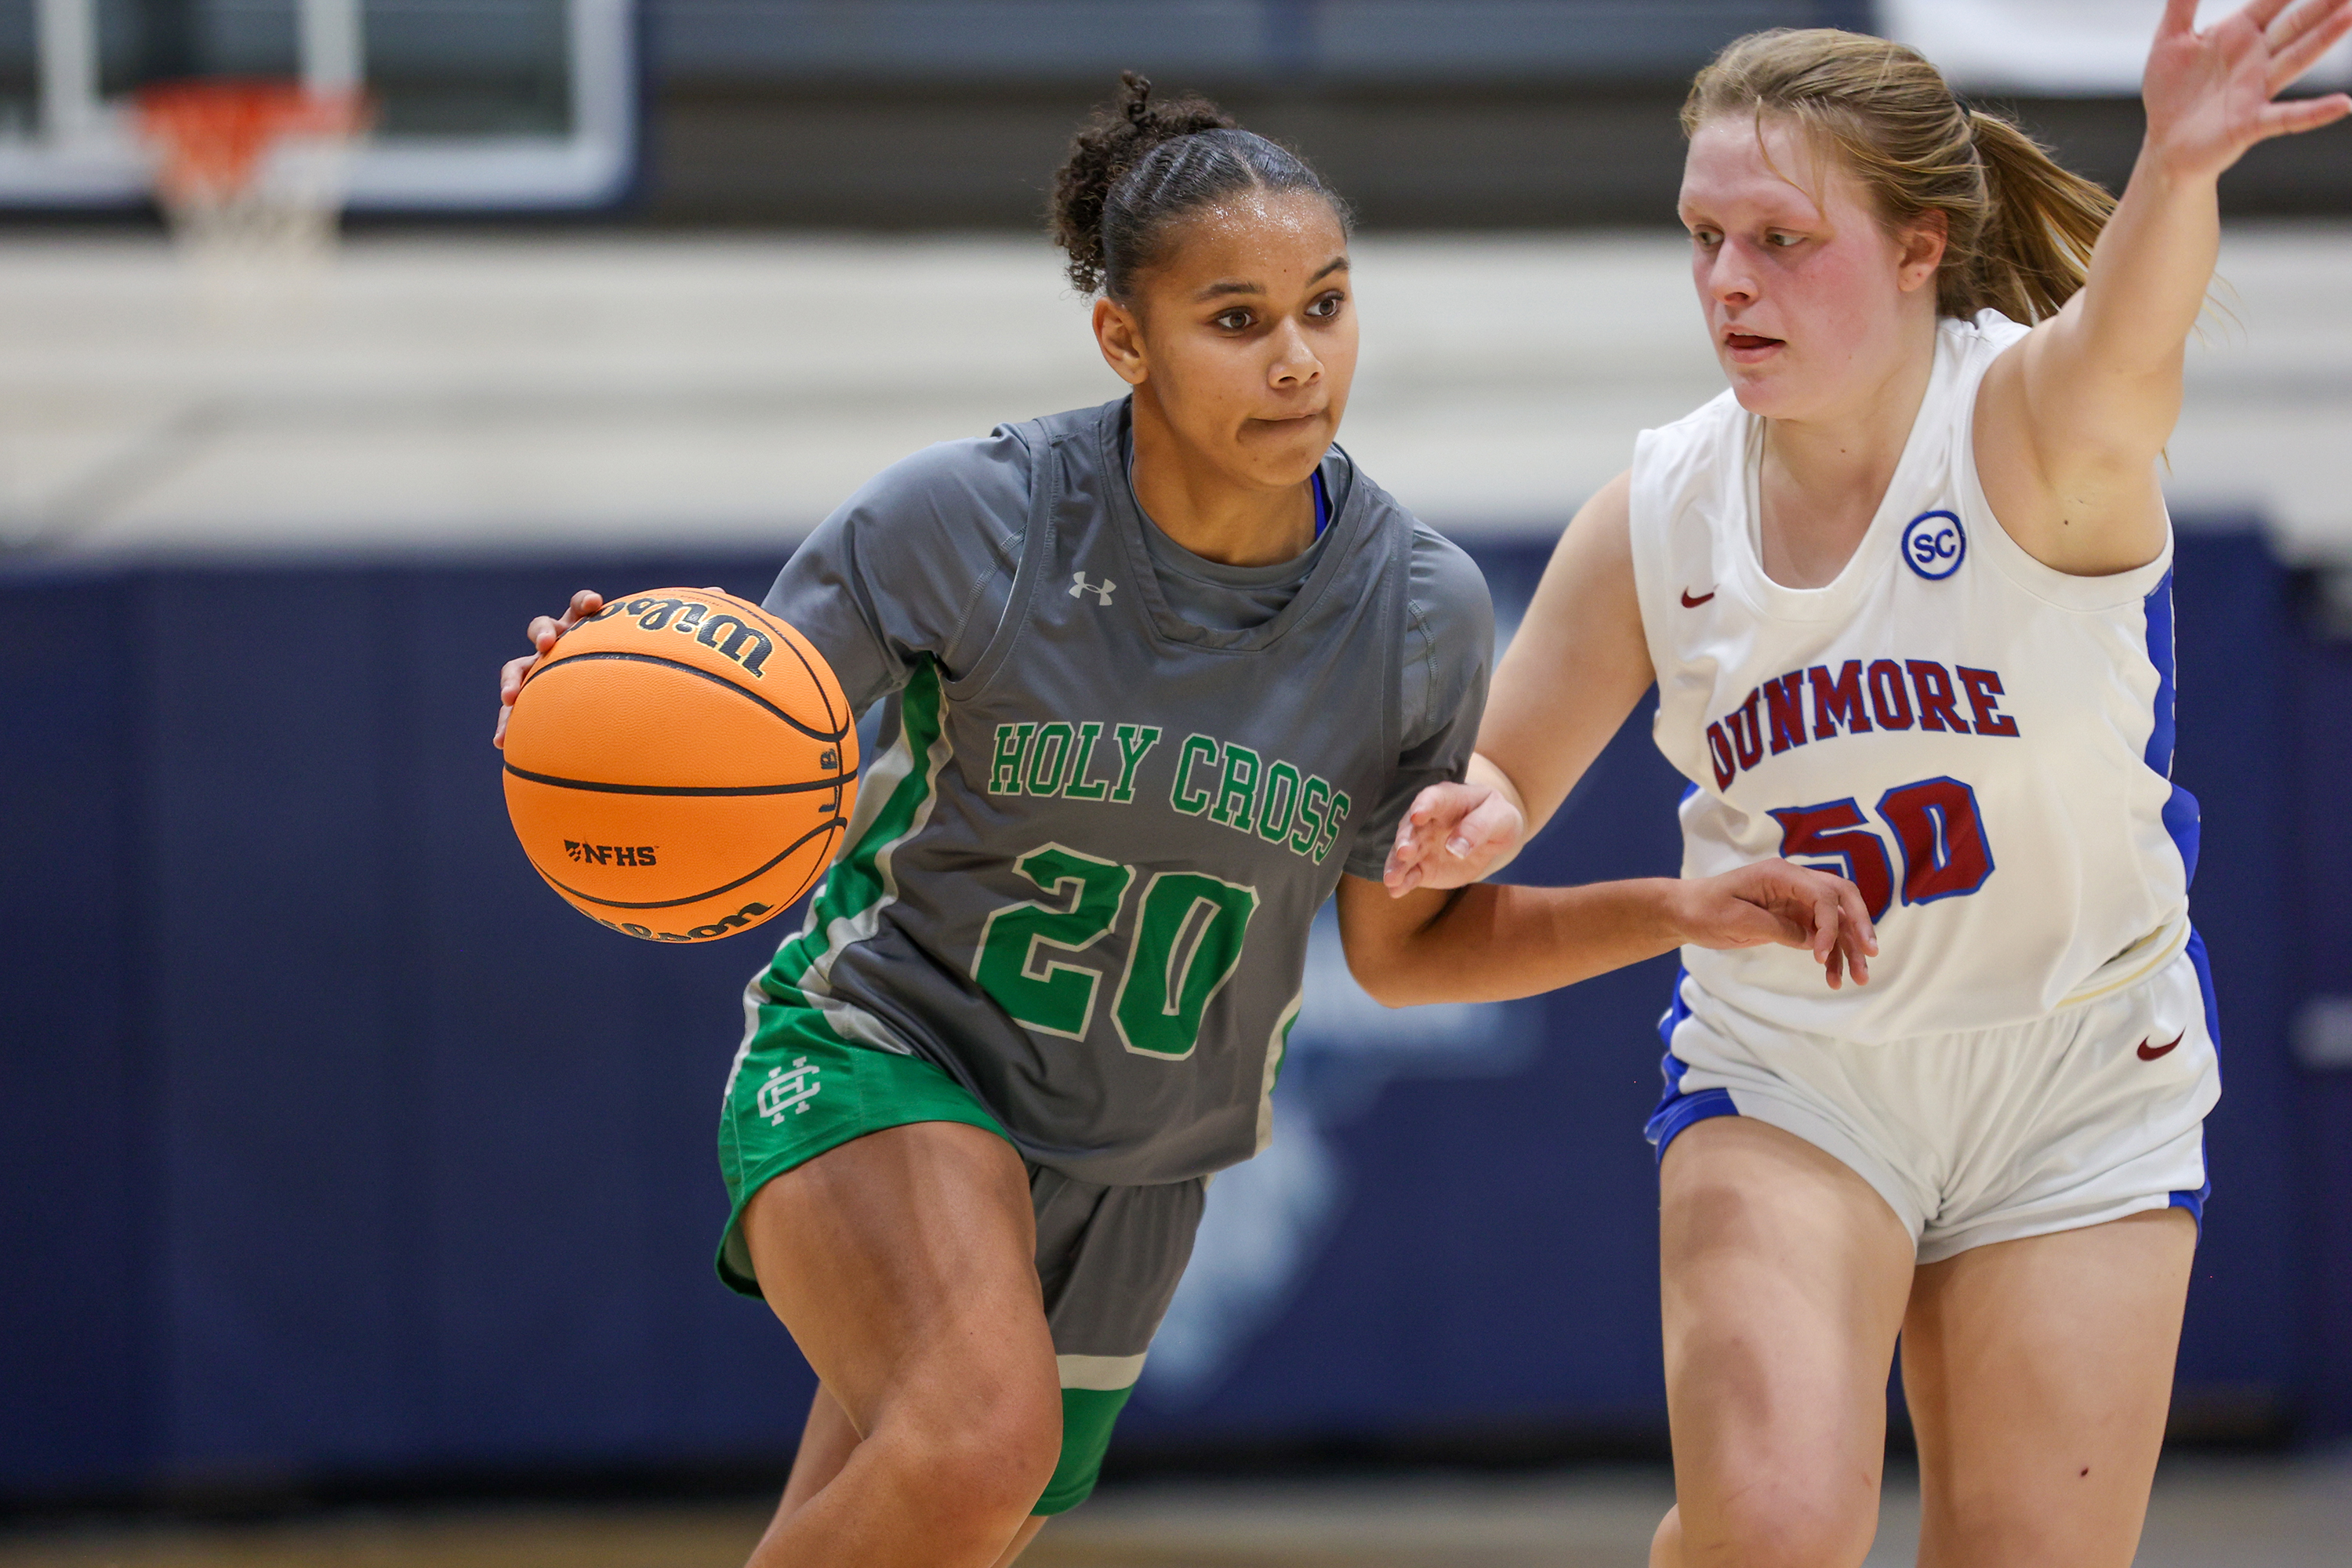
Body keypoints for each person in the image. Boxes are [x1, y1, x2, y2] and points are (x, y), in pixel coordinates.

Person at [494, 74, 1871, 1568]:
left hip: (1141, 1158)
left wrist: (1670, 910)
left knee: (934, 1507)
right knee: (979, 1436)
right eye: (1237, 322)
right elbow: (739, 730)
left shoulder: (1421, 610)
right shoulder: (968, 522)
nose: (1297, 362)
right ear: (1123, 337)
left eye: (1326, 307)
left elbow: (1408, 958)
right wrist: (610, 708)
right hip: (892, 1051)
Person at [1381, 5, 2351, 1565]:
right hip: (1798, 1068)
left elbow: (2130, 338)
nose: (1728, 283)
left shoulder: (2034, 432)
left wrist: (2178, 167)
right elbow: (1506, 764)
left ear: (1918, 250)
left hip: (2076, 1074)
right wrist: (1482, 806)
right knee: (1769, 1536)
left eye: (1779, 238)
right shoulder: (1662, 510)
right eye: (1703, 237)